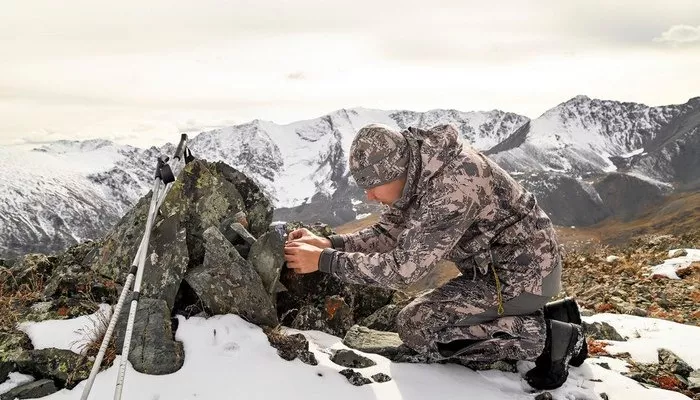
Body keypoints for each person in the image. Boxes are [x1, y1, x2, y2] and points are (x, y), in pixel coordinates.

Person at [283, 123, 586, 390]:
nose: (370, 197)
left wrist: (324, 261)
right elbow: (388, 235)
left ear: (397, 169)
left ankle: (549, 338)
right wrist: (329, 242)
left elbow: (404, 270)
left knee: (418, 325)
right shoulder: (418, 168)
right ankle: (558, 314)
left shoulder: (451, 188)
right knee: (426, 316)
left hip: (522, 278)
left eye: (374, 186)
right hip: (500, 272)